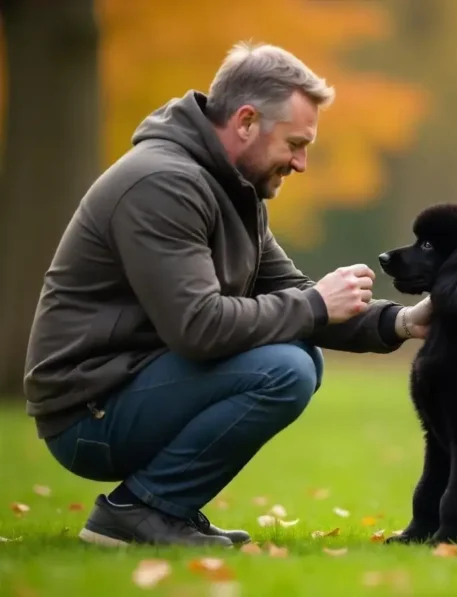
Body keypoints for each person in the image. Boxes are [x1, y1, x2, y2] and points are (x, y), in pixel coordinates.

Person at [23, 41, 431, 549]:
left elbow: (293, 295)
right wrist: (315, 305)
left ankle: (163, 509)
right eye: (296, 143)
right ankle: (140, 510)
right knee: (286, 367)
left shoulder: (233, 189)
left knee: (297, 356)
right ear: (245, 122)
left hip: (133, 386)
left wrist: (402, 321)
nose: (302, 163)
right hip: (89, 413)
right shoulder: (162, 184)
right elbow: (199, 327)